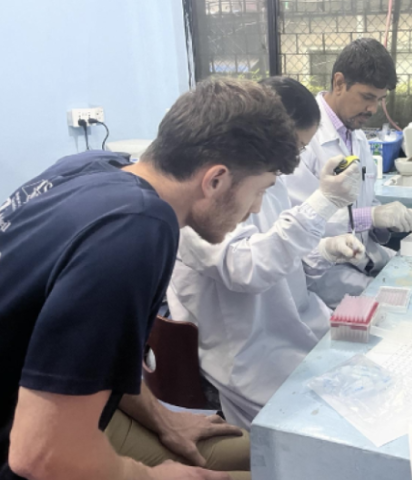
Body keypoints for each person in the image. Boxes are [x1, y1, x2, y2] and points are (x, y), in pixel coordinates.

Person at [0, 78, 307, 480]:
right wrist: (149, 476)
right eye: (260, 191)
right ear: (215, 180)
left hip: (56, 406)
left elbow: (85, 359)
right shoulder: (136, 231)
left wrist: (164, 419)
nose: (256, 209)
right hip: (29, 443)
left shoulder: (92, 166)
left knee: (270, 455)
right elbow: (39, 455)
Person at [166, 76, 364, 429]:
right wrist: (323, 202)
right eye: (296, 148)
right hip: (250, 354)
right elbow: (247, 267)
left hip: (290, 329)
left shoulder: (266, 182)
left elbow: (279, 254)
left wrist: (325, 250)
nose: (294, 161)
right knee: (329, 433)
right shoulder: (199, 199)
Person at [285, 38, 412, 308]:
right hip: (326, 274)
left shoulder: (357, 135)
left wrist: (388, 219)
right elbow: (302, 223)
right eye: (367, 97)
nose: (373, 109)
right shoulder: (303, 140)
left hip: (364, 259)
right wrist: (370, 216)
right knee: (403, 309)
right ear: (339, 83)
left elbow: (363, 203)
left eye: (380, 100)